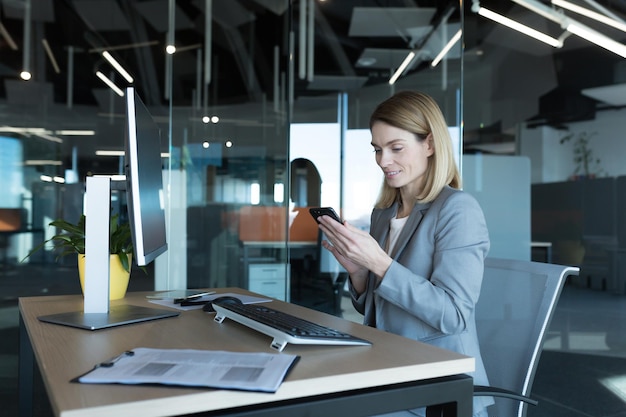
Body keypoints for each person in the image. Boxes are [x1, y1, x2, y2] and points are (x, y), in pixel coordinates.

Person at [316, 91, 493, 417]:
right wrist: (358, 273)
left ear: (429, 144)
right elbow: (378, 307)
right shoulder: (384, 213)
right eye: (378, 149)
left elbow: (453, 315)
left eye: (396, 148)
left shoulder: (457, 210)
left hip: (436, 383)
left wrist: (380, 263)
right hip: (388, 366)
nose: (383, 160)